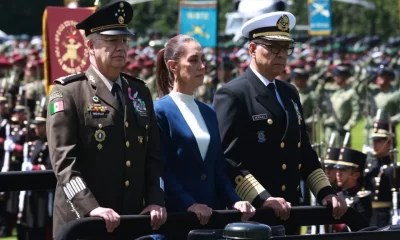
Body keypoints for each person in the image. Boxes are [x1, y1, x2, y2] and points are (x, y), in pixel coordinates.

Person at [212, 11, 347, 234]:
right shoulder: (233, 94)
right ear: (253, 49)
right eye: (273, 47)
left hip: (291, 209)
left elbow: (303, 150)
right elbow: (229, 159)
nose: (281, 55)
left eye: (285, 48)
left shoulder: (289, 92)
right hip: (255, 215)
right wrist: (263, 198)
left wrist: (326, 192)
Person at [46, 1, 166, 238]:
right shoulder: (68, 92)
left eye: (124, 40)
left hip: (130, 220)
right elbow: (64, 163)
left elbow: (153, 156)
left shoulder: (138, 92)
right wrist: (91, 207)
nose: (121, 47)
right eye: (112, 41)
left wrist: (155, 199)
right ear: (90, 46)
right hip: (83, 222)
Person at [154, 34, 255, 235]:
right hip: (178, 221)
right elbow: (161, 170)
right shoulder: (159, 110)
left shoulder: (208, 112)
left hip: (211, 222)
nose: (202, 66)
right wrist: (189, 204)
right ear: (173, 66)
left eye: (202, 60)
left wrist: (235, 201)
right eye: (193, 60)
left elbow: (218, 169)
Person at [364, 117, 400, 227]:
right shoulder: (368, 166)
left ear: (389, 143)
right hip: (368, 216)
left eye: (379, 141)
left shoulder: (394, 168)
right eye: (374, 140)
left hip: (386, 216)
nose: (375, 144)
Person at [331, 147, 372, 232]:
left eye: (343, 169)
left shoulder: (361, 199)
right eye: (337, 169)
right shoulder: (336, 195)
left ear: (356, 175)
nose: (338, 173)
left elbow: (362, 228)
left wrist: (338, 226)